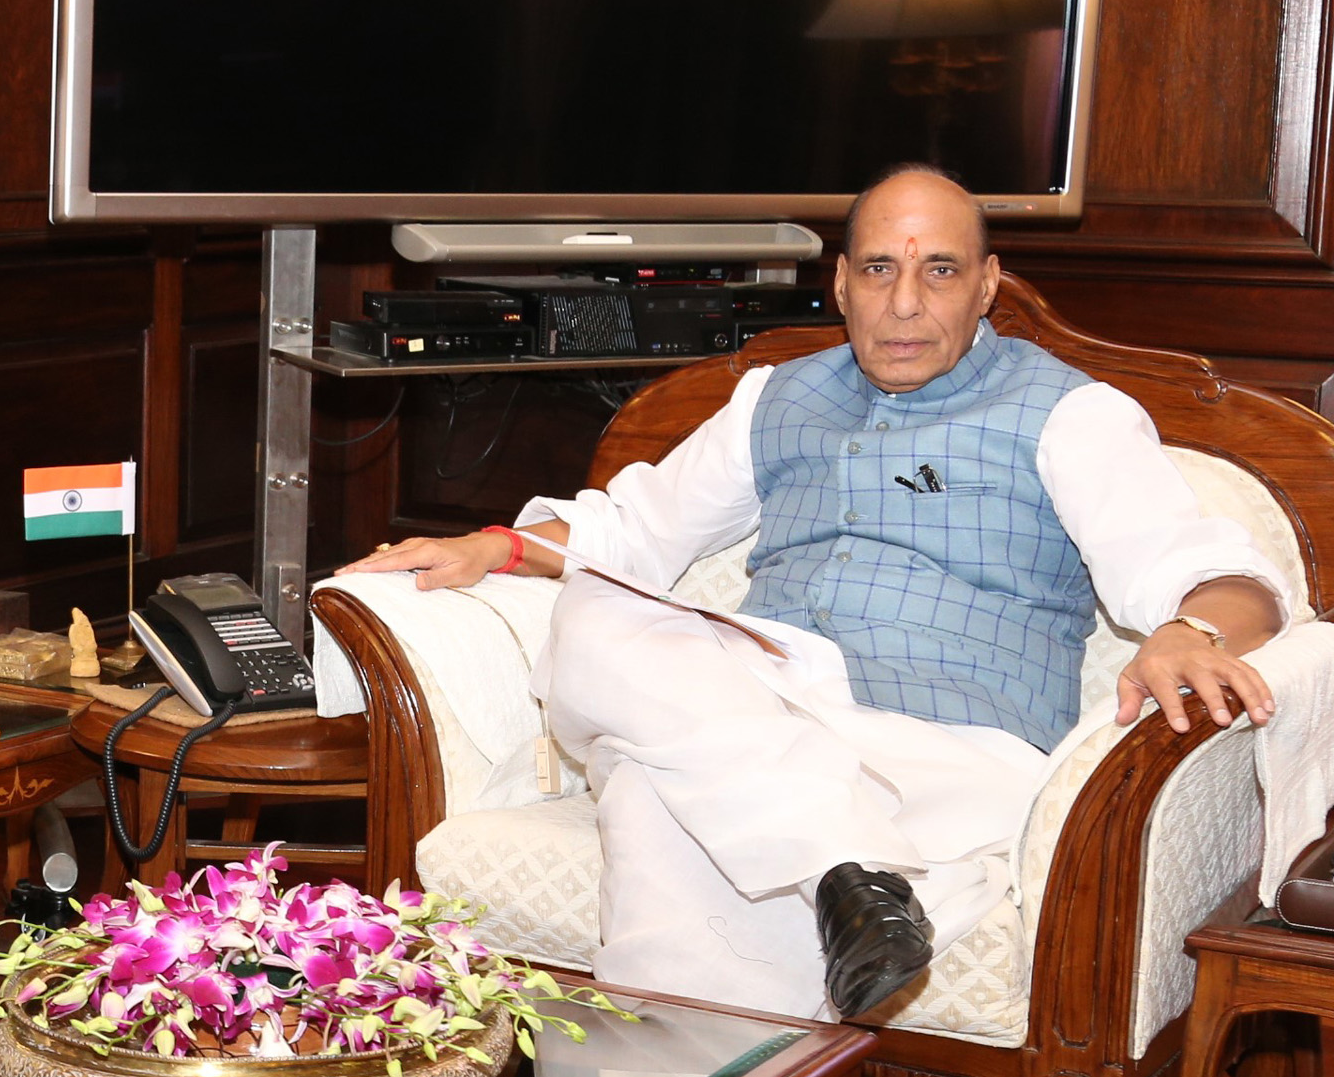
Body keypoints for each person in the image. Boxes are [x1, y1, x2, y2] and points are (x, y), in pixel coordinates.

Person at [337, 165, 1289, 1020]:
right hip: (771, 706)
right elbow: (632, 531)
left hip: (950, 745)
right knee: (600, 604)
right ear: (839, 282)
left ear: (990, 284)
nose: (905, 304)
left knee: (655, 793)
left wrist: (1189, 628)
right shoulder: (775, 397)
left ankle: (809, 892)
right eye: (878, 270)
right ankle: (849, 872)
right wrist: (493, 545)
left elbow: (1231, 576)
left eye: (941, 272)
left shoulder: (1069, 415)